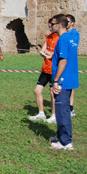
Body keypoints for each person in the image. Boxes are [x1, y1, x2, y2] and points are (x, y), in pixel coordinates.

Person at [50, 14, 79, 150]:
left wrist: (56, 80)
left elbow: (63, 60)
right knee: (64, 109)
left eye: (53, 24)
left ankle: (66, 142)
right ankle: (61, 136)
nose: (51, 26)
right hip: (70, 78)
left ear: (60, 25)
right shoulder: (70, 38)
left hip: (63, 80)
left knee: (62, 111)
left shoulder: (62, 39)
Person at [29, 18, 59, 122]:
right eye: (49, 26)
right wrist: (44, 53)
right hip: (45, 68)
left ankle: (55, 115)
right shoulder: (49, 37)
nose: (50, 28)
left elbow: (57, 54)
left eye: (51, 26)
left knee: (52, 92)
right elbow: (43, 51)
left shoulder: (59, 38)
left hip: (54, 69)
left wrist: (51, 54)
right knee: (37, 91)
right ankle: (41, 113)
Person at [66, 14, 79, 117]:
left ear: (72, 23)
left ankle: (70, 108)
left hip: (71, 63)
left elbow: (72, 46)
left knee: (71, 86)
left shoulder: (75, 34)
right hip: (63, 62)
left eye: (68, 21)